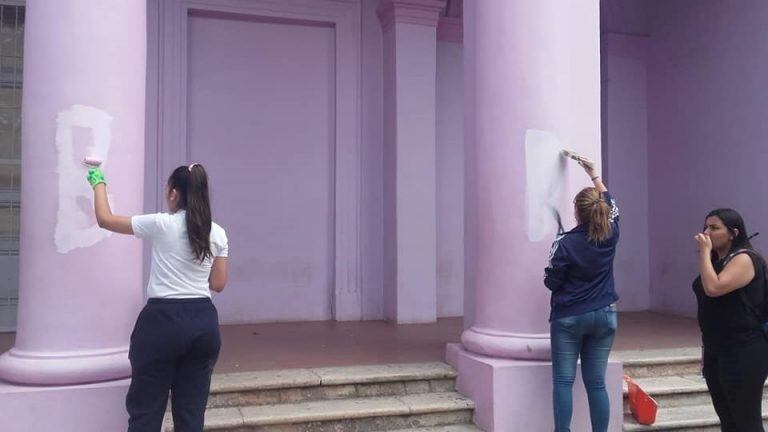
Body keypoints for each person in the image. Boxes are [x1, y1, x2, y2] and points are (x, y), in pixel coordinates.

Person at [87, 163, 229, 432]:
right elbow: (218, 283)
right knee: (191, 415)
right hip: (203, 322)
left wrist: (98, 181)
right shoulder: (217, 232)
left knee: (146, 413)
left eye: (167, 188)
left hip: (162, 322)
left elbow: (106, 219)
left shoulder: (162, 224)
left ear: (174, 193)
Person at [544, 155, 620, 432]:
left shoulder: (565, 243)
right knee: (597, 383)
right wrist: (594, 175)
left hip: (570, 317)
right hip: (606, 315)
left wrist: (550, 273)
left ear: (577, 212)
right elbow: (612, 206)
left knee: (564, 382)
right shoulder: (612, 233)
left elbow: (552, 282)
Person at [693, 208, 768, 431]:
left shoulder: (744, 259)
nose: (707, 232)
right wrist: (706, 349)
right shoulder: (716, 261)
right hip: (716, 349)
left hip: (744, 350)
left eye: (714, 228)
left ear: (733, 233)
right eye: (705, 226)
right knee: (728, 420)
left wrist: (704, 254)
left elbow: (714, 288)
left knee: (746, 420)